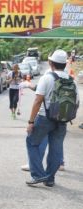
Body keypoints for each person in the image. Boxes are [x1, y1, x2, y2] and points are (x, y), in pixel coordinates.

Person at [25, 49, 78, 187]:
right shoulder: (71, 80)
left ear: (50, 63)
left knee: (32, 142)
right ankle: (49, 178)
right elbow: (76, 102)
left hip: (44, 118)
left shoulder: (47, 77)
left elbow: (38, 101)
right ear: (65, 64)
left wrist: (31, 122)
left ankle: (38, 175)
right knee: (56, 149)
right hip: (62, 120)